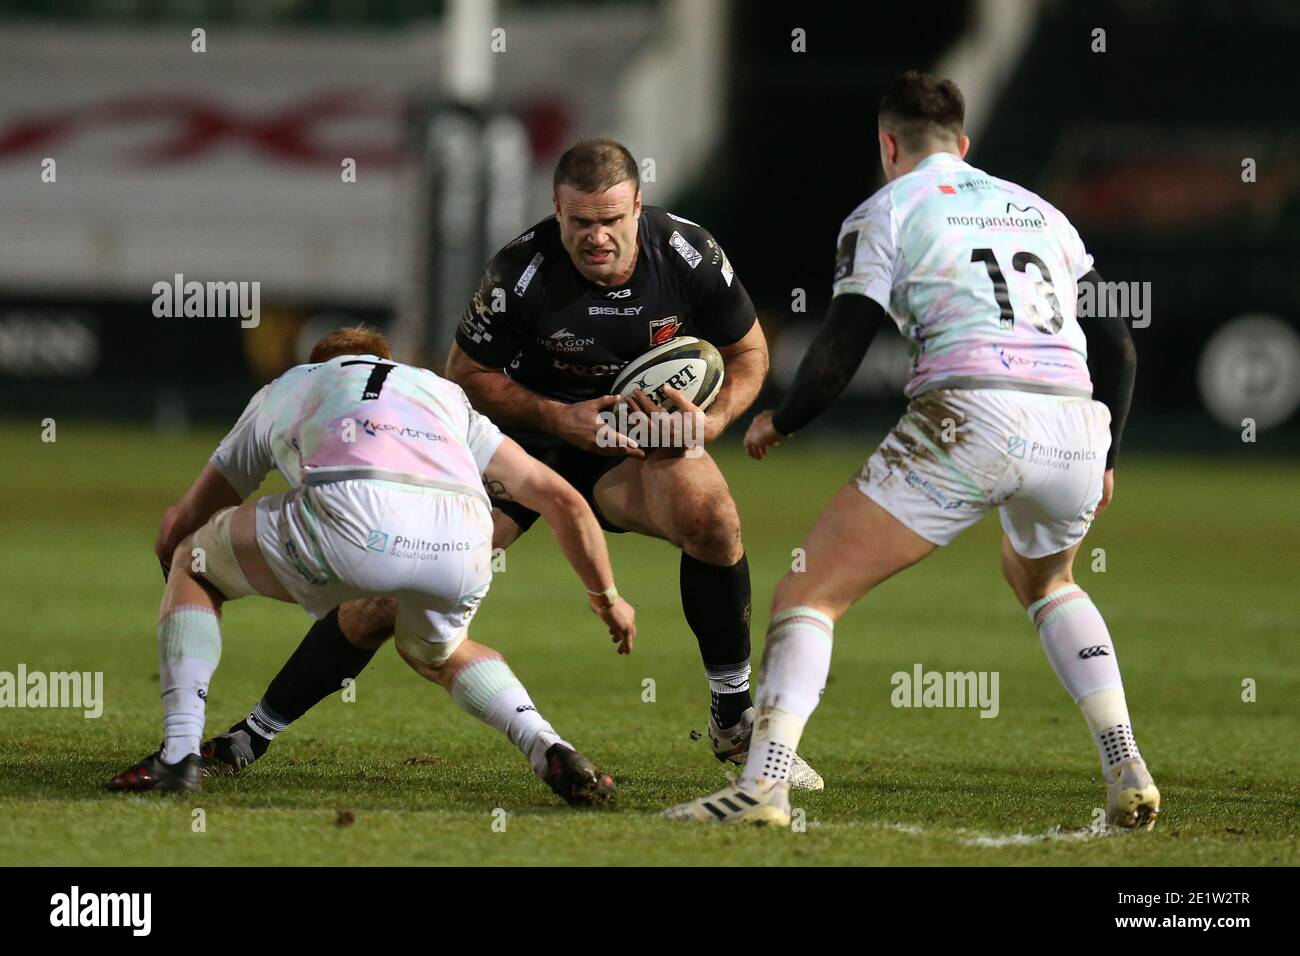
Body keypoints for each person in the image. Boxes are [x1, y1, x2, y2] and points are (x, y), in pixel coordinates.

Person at [202, 139, 822, 791]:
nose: (597, 237)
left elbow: (748, 353)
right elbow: (463, 377)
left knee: (714, 517)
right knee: (393, 590)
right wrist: (561, 417)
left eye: (611, 220)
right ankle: (253, 733)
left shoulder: (687, 252)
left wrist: (715, 420)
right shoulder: (520, 272)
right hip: (522, 444)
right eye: (581, 222)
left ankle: (734, 717)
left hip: (630, 449)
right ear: (558, 211)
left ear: (638, 206)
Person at [665, 70, 1156, 828]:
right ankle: (1125, 762)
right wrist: (1111, 458)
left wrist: (783, 420)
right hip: (1075, 425)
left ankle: (762, 787)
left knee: (809, 593)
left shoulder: (887, 210)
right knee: (1048, 581)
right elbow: (1117, 345)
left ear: (888, 144)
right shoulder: (1041, 212)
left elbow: (842, 341)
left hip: (973, 415)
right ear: (964, 143)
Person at [107, 326, 632, 806]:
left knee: (195, 561)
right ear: (387, 362)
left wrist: (175, 556)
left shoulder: (293, 384)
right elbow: (561, 500)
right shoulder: (438, 391)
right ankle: (546, 745)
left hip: (351, 514)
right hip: (464, 535)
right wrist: (607, 597)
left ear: (319, 362)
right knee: (440, 651)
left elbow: (196, 511)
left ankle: (178, 755)